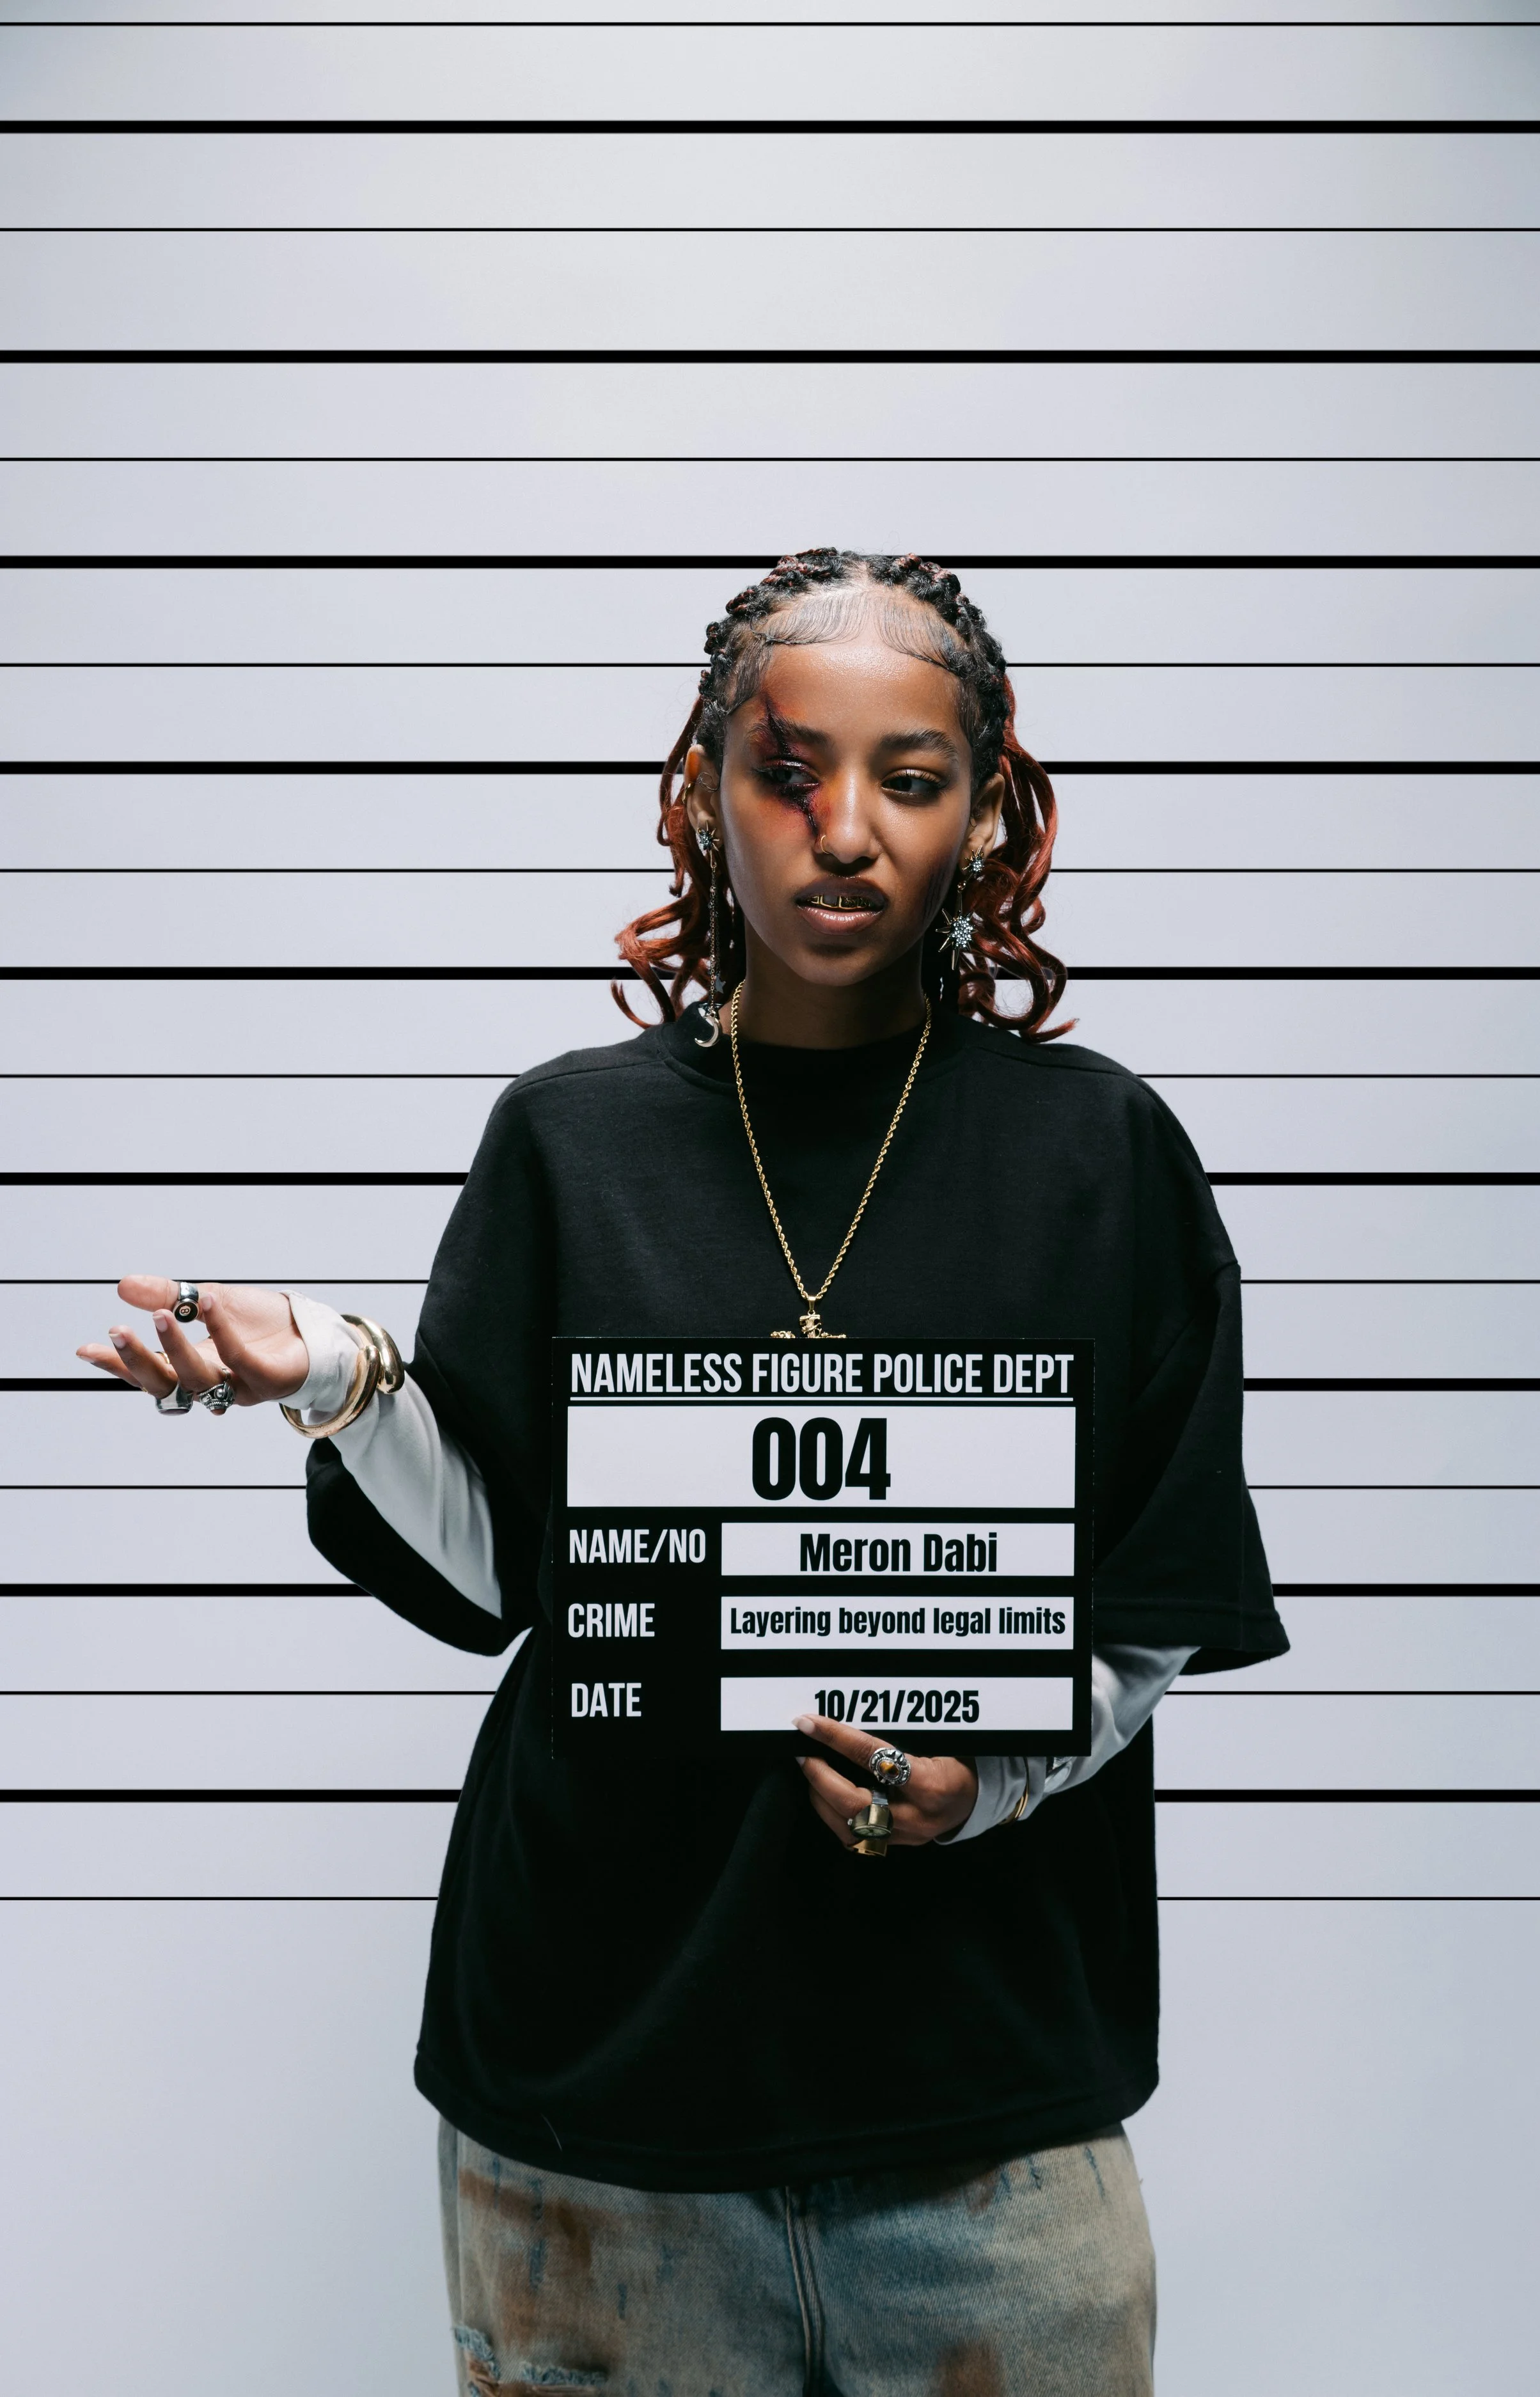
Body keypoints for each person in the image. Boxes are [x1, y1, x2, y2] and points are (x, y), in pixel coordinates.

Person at [79, 549, 1285, 2396]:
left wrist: (996, 1779)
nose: (844, 831)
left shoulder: (1099, 1153)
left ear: (985, 814)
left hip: (981, 2114)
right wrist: (333, 1378)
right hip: (594, 2100)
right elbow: (496, 1569)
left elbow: (1154, 1590)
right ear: (702, 794)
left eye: (910, 775)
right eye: (787, 770)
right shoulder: (569, 1136)